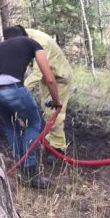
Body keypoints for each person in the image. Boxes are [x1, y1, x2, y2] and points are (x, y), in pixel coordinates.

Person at [0, 27, 62, 189]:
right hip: (13, 89)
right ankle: (30, 172)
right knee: (33, 123)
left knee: (11, 125)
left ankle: (19, 165)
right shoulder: (32, 43)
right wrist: (57, 101)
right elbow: (49, 78)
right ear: (24, 35)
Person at [16, 26, 73, 162]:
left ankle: (58, 148)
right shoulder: (23, 37)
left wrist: (18, 92)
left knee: (55, 113)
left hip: (59, 78)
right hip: (47, 79)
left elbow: (37, 72)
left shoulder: (40, 42)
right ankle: (50, 141)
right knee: (46, 110)